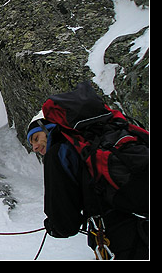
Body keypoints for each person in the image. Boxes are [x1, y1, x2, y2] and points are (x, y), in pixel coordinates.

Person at [27, 109, 148, 260]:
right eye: (32, 144)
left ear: (48, 128)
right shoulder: (98, 139)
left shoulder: (60, 151)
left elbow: (64, 223)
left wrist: (54, 226)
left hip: (121, 236)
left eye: (36, 138)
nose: (35, 147)